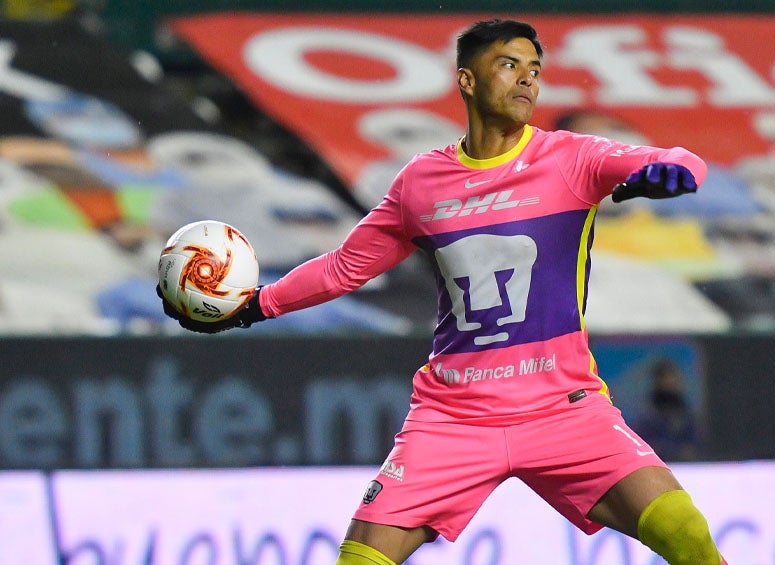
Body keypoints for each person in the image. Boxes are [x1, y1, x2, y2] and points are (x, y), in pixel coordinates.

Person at [158, 19, 727, 565]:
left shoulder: (572, 158)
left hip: (563, 409)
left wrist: (672, 169)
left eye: (535, 67)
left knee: (687, 534)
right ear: (467, 80)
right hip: (453, 417)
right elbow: (344, 268)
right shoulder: (421, 183)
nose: (528, 78)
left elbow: (676, 157)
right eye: (509, 65)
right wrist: (252, 306)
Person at [632, 359, 702, 462]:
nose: (670, 382)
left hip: (686, 465)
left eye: (673, 378)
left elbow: (695, 441)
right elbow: (643, 443)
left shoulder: (685, 411)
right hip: (656, 463)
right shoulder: (648, 413)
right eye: (665, 378)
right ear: (658, 381)